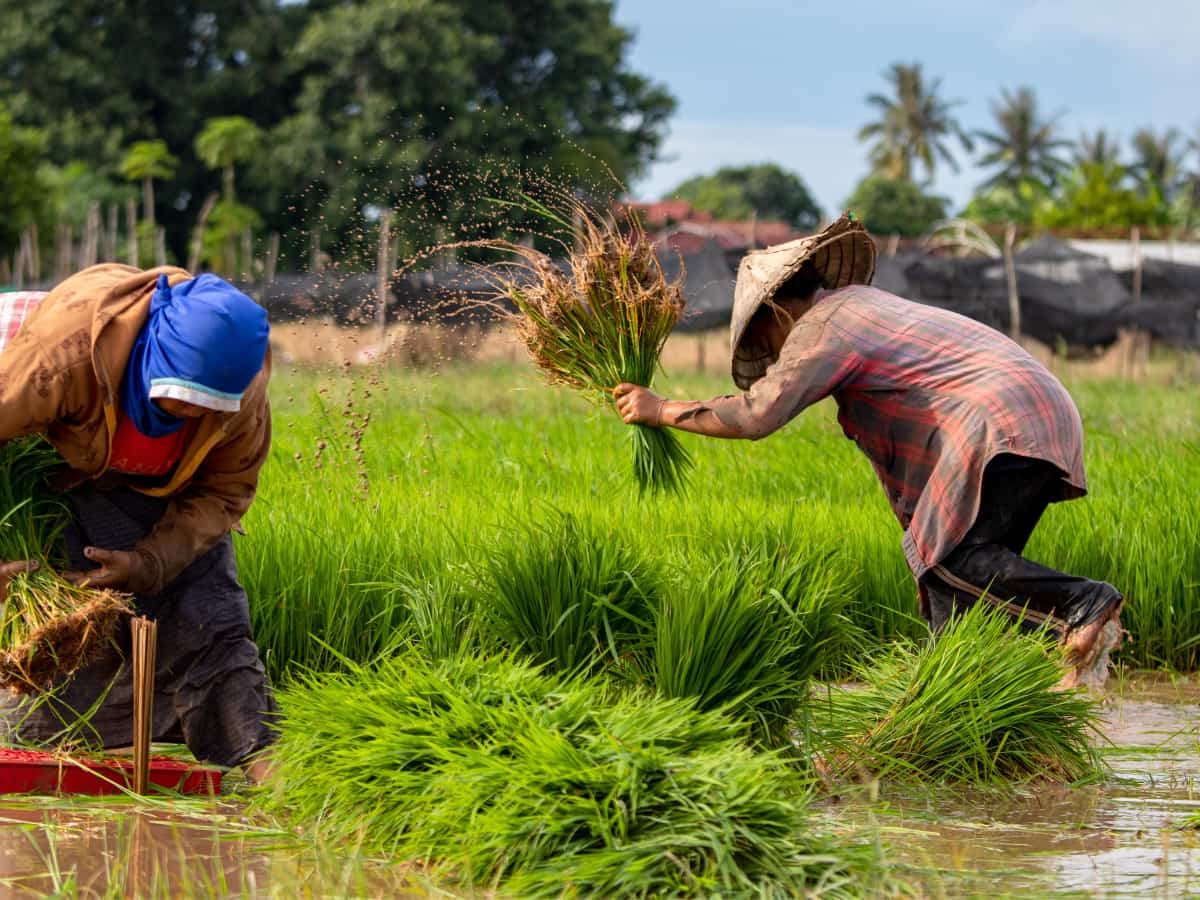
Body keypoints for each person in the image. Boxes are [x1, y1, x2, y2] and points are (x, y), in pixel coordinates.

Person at [614, 214, 1123, 687]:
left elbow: (755, 415)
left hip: (1001, 420)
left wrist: (661, 410)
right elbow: (912, 463)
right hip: (1035, 414)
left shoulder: (824, 327)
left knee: (954, 561)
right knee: (956, 600)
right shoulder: (863, 311)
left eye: (765, 338)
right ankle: (966, 714)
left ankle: (1082, 602)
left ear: (774, 309)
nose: (774, 354)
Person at [0, 264, 277, 779]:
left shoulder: (241, 398)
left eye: (202, 406)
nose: (183, 412)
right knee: (55, 636)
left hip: (153, 485)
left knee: (208, 612)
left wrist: (147, 561)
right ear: (151, 356)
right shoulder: (58, 360)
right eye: (174, 395)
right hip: (39, 450)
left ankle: (260, 758)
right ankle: (58, 748)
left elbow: (224, 491)